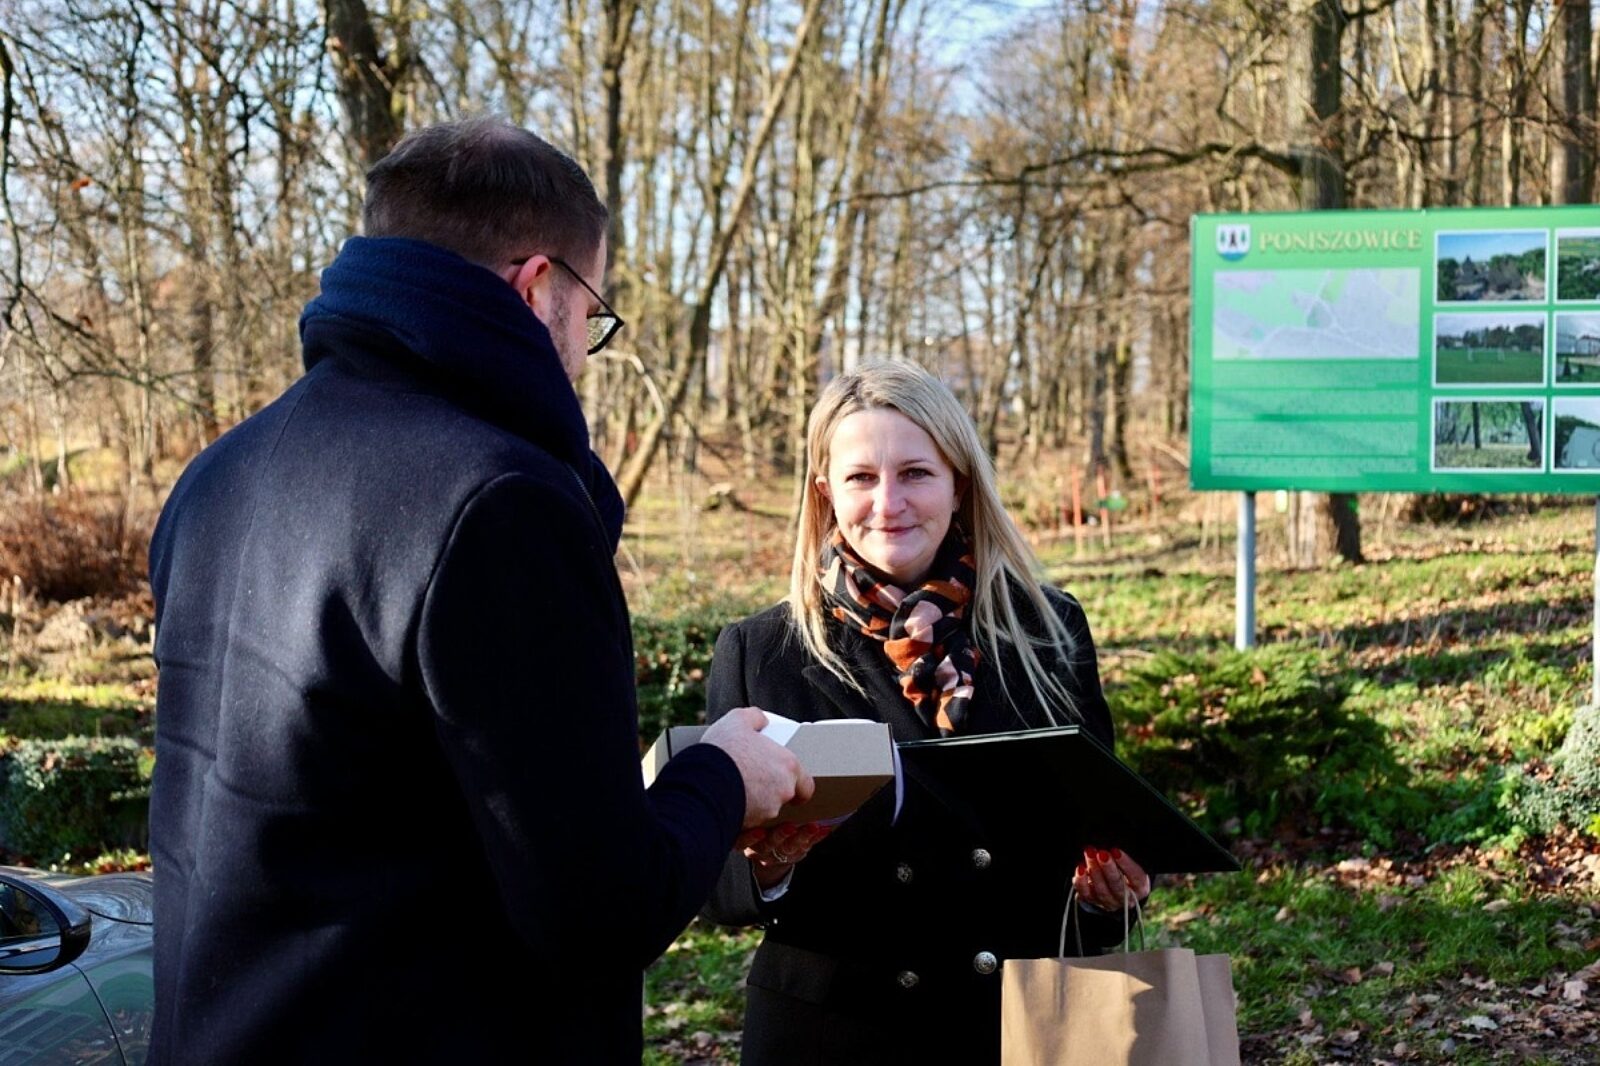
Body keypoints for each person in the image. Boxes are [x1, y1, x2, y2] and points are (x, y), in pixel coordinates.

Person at [146, 118, 812, 1065]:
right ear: (536, 286)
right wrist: (722, 776)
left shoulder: (219, 474)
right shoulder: (497, 503)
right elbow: (599, 909)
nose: (582, 353)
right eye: (592, 316)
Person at [702, 361, 1151, 1065]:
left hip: (1010, 1028)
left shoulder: (1047, 631)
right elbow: (717, 888)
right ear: (824, 492)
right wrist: (766, 869)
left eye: (915, 473)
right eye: (861, 477)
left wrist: (1104, 899)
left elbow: (1091, 836)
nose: (889, 503)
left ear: (958, 483)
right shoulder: (762, 651)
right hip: (834, 1035)